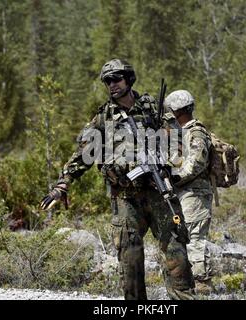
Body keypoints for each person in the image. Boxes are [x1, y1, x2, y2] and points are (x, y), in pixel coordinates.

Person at [40, 59, 195, 300]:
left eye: (116, 79)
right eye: (107, 81)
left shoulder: (151, 108)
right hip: (126, 198)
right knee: (130, 258)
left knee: (176, 250)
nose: (112, 85)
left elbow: (177, 139)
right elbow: (84, 154)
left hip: (158, 191)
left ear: (128, 79)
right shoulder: (103, 118)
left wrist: (167, 155)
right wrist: (62, 184)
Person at [165, 90, 213, 281]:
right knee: (181, 235)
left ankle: (201, 281)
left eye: (170, 110)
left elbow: (195, 166)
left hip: (195, 194)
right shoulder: (181, 132)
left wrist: (172, 178)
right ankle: (186, 279)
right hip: (183, 193)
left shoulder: (197, 132)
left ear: (178, 110)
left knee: (195, 238)